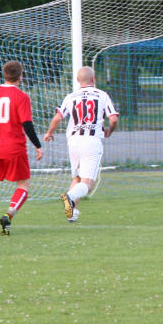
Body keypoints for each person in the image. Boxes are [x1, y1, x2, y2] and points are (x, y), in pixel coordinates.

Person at [0, 61, 44, 236]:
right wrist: (38, 145)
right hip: (15, 149)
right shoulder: (21, 96)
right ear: (20, 77)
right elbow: (27, 124)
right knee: (24, 184)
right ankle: (8, 215)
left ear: (3, 75)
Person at [44, 66, 119, 221]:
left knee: (77, 178)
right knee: (88, 183)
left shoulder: (71, 97)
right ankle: (70, 196)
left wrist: (49, 132)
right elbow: (113, 119)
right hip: (91, 141)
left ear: (78, 80)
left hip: (73, 141)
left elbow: (58, 117)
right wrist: (109, 130)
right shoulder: (101, 95)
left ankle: (72, 214)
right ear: (93, 79)